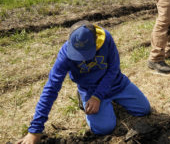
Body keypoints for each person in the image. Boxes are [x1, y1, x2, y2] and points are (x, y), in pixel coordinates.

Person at [18, 21, 151, 144]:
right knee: (105, 128)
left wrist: (98, 97)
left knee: (144, 109)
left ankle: (107, 101)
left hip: (116, 83)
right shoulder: (65, 54)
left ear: (96, 43)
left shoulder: (106, 39)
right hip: (90, 88)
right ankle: (84, 100)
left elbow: (113, 69)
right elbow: (51, 87)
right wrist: (35, 131)